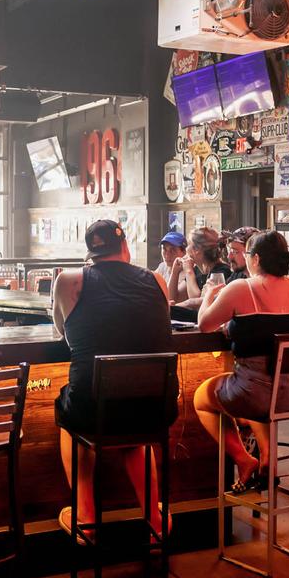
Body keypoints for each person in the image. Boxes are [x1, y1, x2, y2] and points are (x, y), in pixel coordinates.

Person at [52, 219, 175, 537]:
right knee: (134, 434)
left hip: (95, 410)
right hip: (155, 408)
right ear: (125, 247)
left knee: (69, 415)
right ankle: (155, 518)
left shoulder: (69, 280)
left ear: (90, 253)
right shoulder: (157, 280)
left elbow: (63, 332)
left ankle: (87, 517)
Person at [193, 230, 289, 492]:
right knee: (257, 390)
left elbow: (204, 325)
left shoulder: (241, 287)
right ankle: (267, 460)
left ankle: (244, 459)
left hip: (259, 393)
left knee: (202, 399)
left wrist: (208, 296)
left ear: (255, 259)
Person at [169, 227, 231, 315]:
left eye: (188, 245)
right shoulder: (197, 270)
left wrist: (188, 271)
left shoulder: (220, 272)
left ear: (197, 250)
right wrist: (175, 272)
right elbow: (172, 298)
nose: (186, 249)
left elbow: (197, 303)